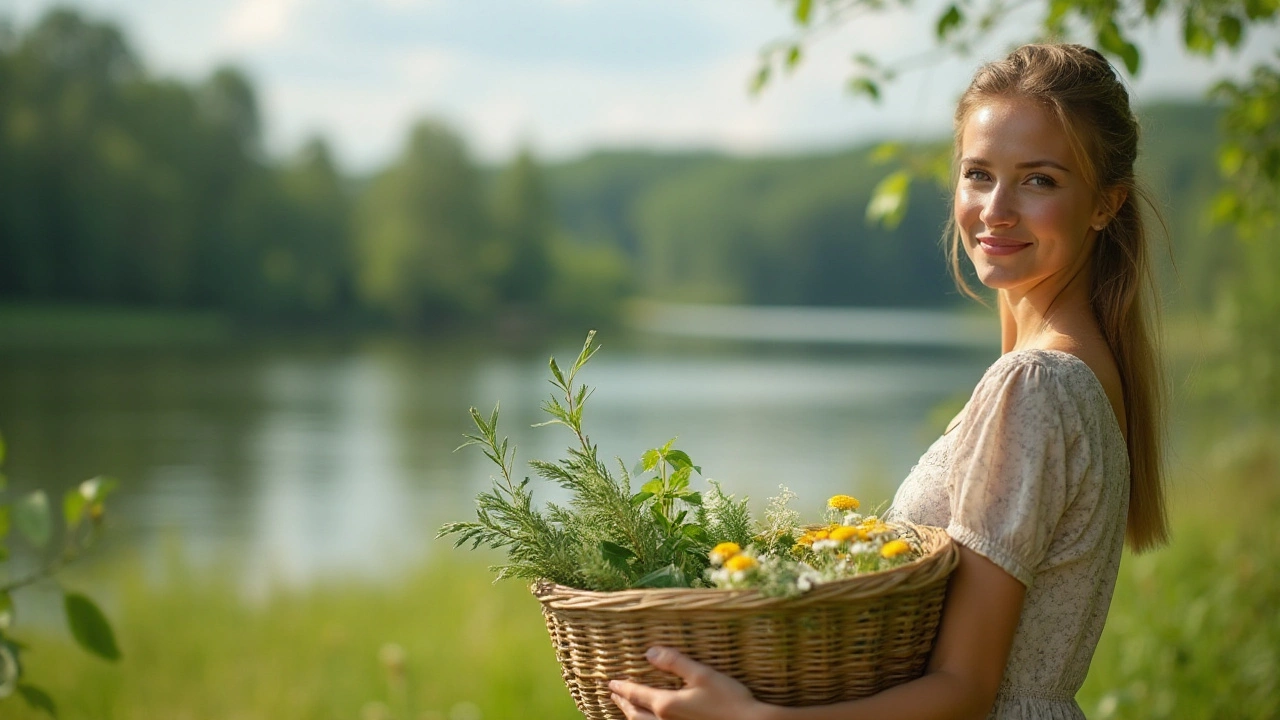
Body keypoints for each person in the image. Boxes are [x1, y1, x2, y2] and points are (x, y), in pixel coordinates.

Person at [607, 43, 1169, 720]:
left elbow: (965, 690)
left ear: (1105, 205)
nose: (996, 209)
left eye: (1040, 180)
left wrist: (753, 719)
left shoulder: (1038, 383)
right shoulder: (1078, 369)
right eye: (978, 174)